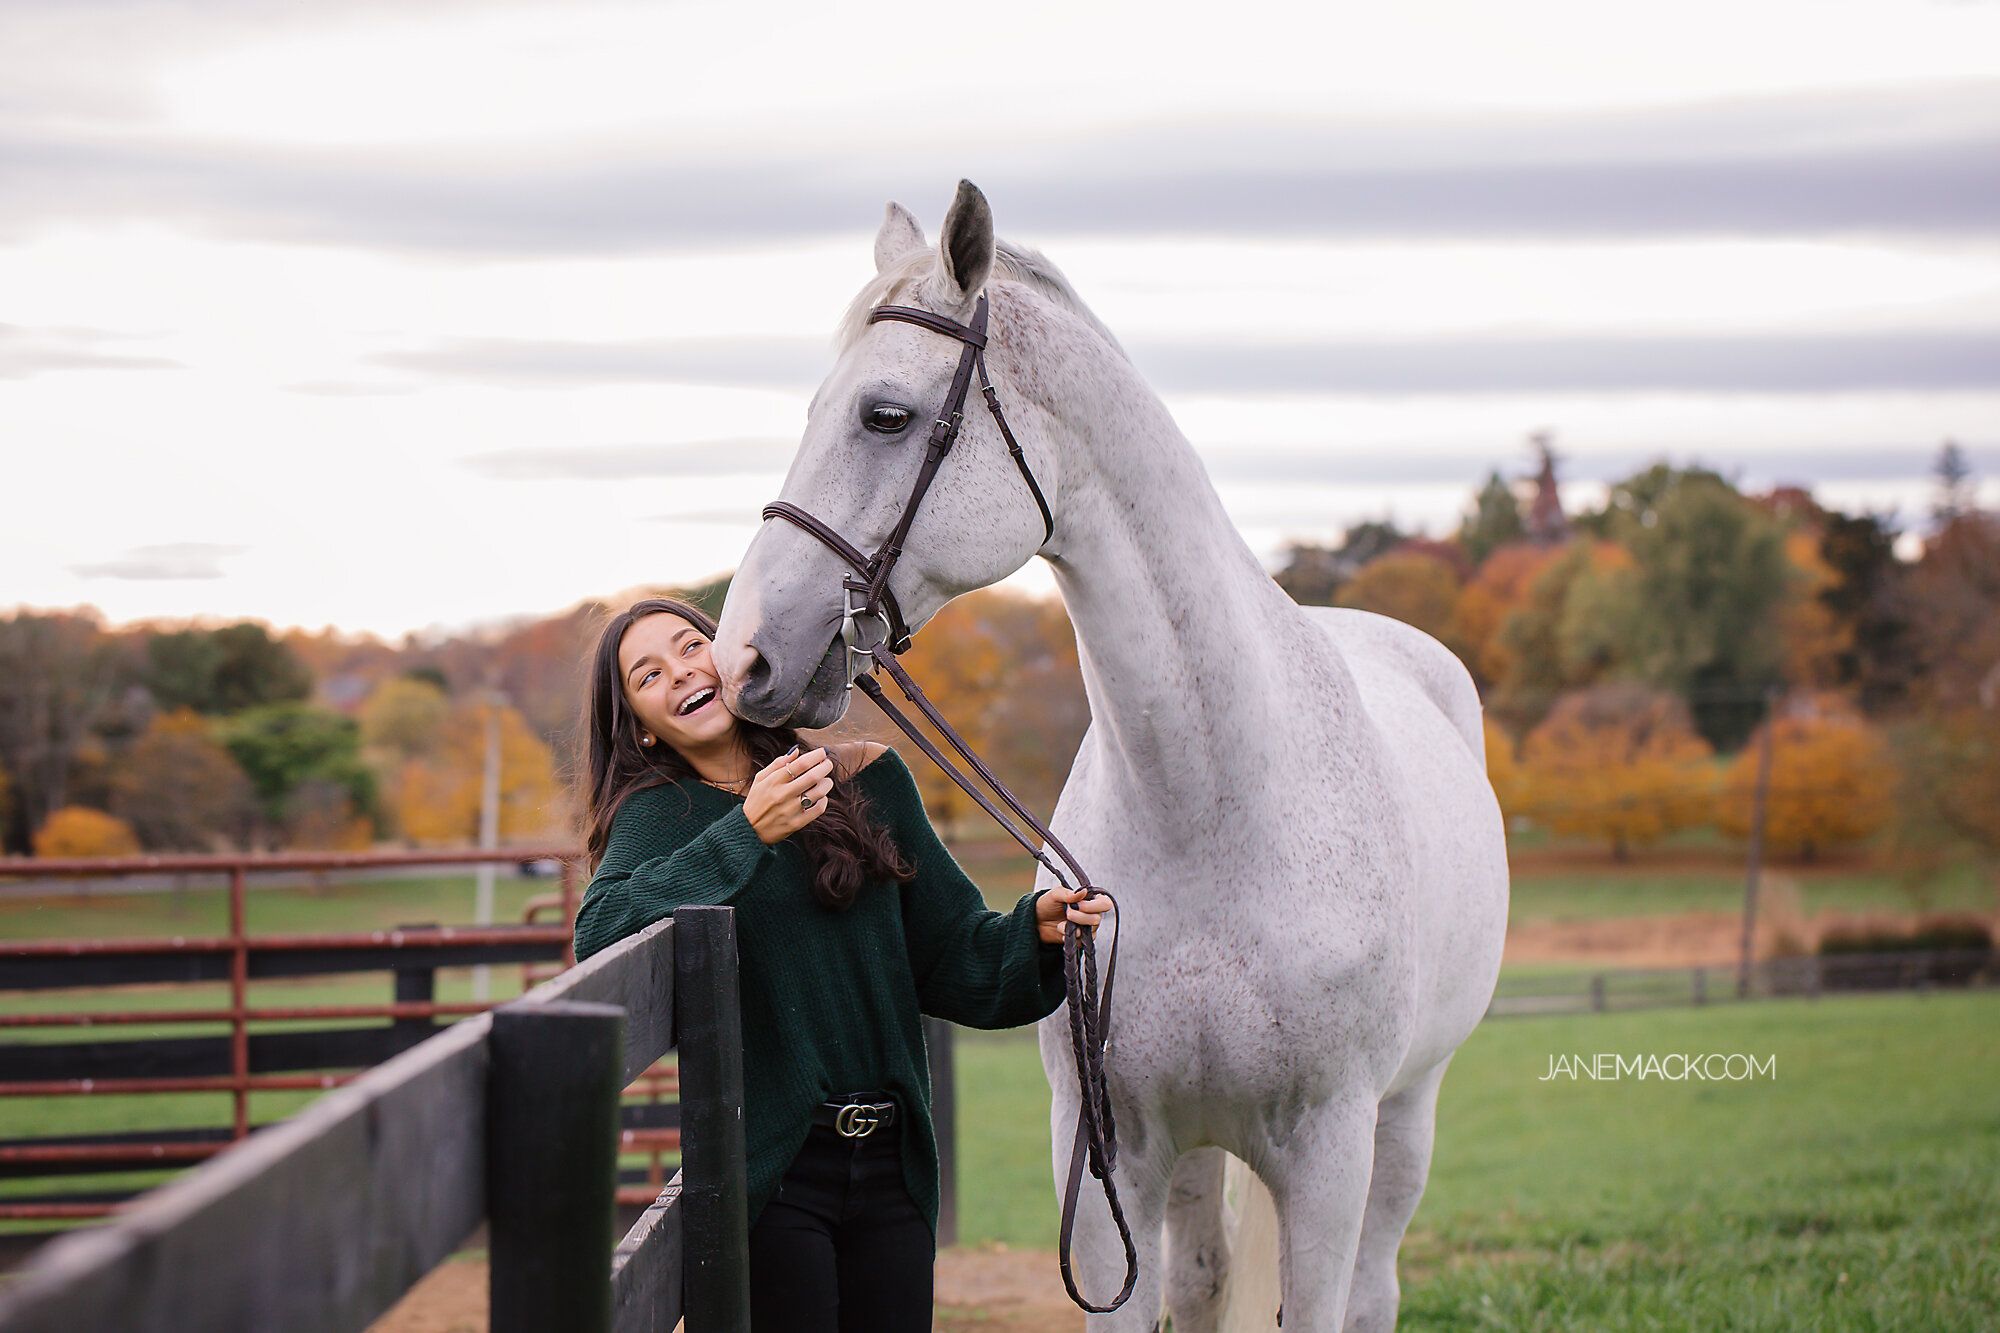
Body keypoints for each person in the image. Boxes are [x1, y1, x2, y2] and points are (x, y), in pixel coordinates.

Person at [574, 596, 1109, 1332]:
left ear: (730, 654)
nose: (680, 672)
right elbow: (598, 934)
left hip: (894, 1163)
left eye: (691, 646)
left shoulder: (867, 776)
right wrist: (745, 833)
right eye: (648, 672)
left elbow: (953, 951)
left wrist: (1034, 933)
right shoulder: (656, 817)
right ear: (638, 721)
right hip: (773, 1174)